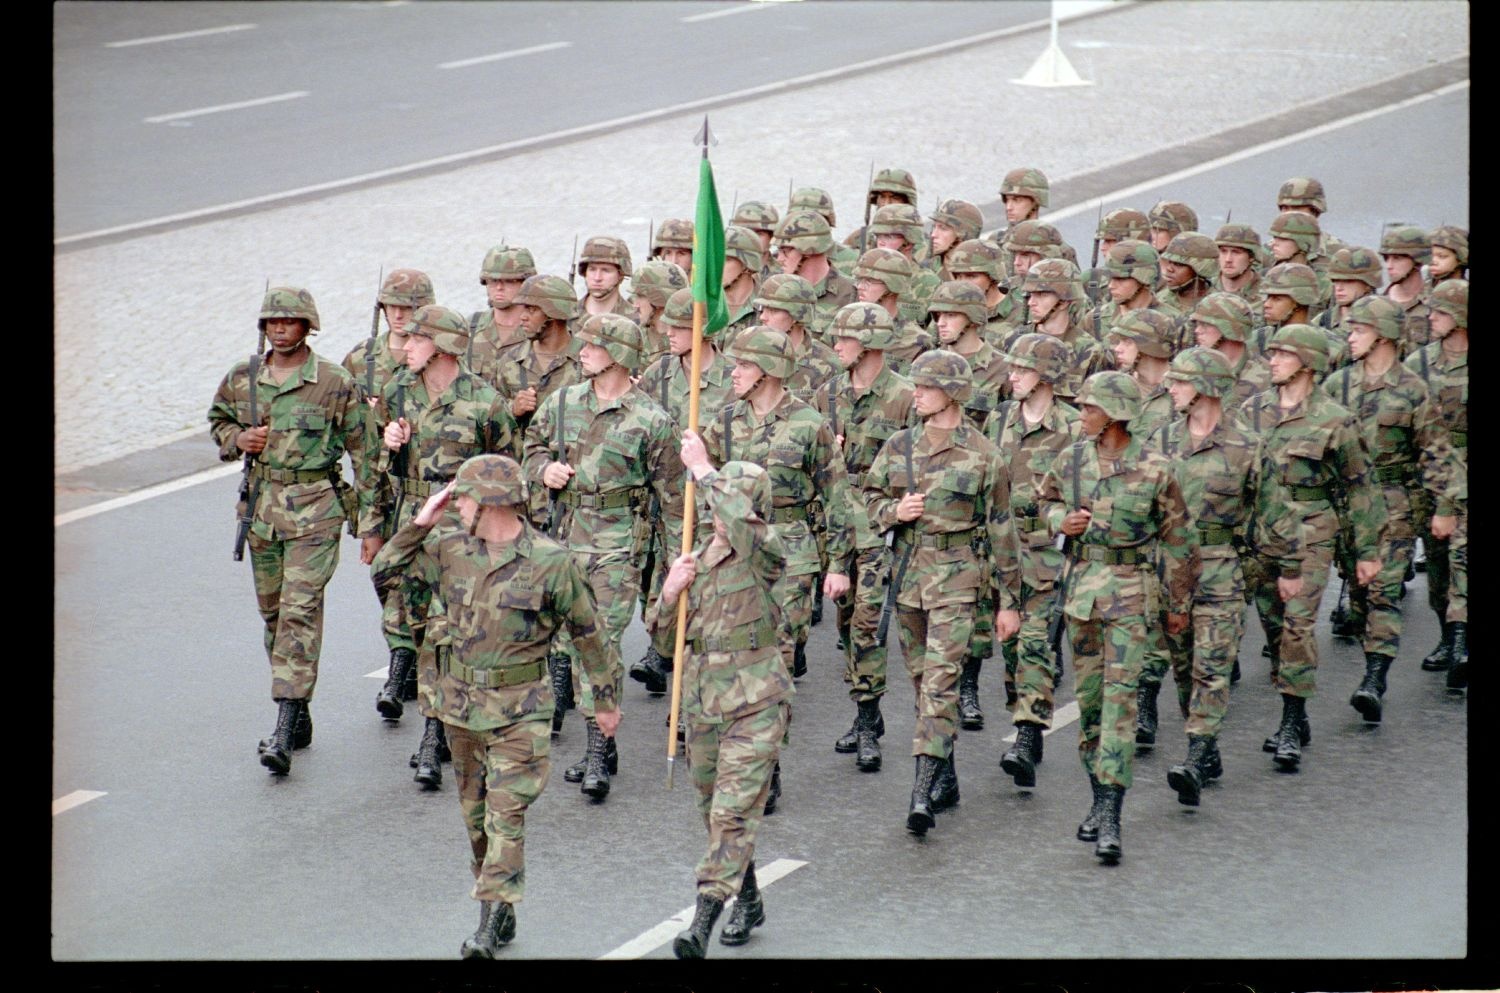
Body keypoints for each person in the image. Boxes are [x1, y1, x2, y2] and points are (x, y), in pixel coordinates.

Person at [371, 455, 619, 958]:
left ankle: (486, 923)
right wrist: (420, 523)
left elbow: (590, 635)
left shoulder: (552, 561)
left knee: (506, 818)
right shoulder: (446, 548)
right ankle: (501, 907)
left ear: (489, 502)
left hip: (521, 710)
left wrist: (606, 704)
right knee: (477, 821)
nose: (455, 505)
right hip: (459, 708)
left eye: (461, 497)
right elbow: (384, 574)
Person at [1038, 371, 1198, 863]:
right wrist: (1058, 522)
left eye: (1089, 408)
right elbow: (1042, 503)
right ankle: (1097, 795)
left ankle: (1112, 813)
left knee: (1120, 706)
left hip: (1132, 596)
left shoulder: (1155, 468)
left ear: (1115, 416)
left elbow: (1177, 540)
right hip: (1083, 594)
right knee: (1089, 706)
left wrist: (1178, 606)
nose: (1080, 415)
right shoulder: (1071, 460)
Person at [208, 286, 368, 775]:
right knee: (275, 616)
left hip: (316, 509)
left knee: (300, 612)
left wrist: (370, 520)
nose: (278, 328)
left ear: (307, 327)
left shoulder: (334, 382)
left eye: (289, 320)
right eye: (271, 321)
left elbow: (365, 449)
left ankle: (283, 721)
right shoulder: (244, 378)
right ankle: (299, 712)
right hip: (262, 511)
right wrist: (237, 438)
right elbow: (217, 421)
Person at [864, 350, 1021, 836]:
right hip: (909, 575)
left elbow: (1001, 530)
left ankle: (921, 792)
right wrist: (894, 513)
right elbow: (867, 500)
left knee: (940, 683)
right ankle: (946, 774)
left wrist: (1009, 600)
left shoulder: (982, 454)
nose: (916, 393)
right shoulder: (898, 445)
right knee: (919, 682)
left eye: (926, 387)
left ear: (951, 392)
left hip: (957, 578)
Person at [524, 315, 682, 799]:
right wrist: (543, 469)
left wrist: (679, 561)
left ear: (619, 355)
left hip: (618, 548)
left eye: (594, 344)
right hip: (565, 540)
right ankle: (602, 739)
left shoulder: (651, 421)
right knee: (567, 645)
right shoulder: (563, 402)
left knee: (603, 647)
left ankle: (597, 748)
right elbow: (530, 448)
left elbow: (674, 498)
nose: (583, 350)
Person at [704, 327, 854, 814]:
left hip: (790, 551)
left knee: (777, 661)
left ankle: (768, 765)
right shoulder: (724, 421)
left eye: (743, 366)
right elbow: (698, 483)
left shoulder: (810, 425)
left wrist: (839, 566)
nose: (733, 373)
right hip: (734, 550)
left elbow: (836, 499)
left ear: (767, 370)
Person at [368, 305, 518, 786]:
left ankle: (434, 735)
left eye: (416, 339)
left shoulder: (485, 403)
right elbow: (378, 470)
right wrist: (388, 449)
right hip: (412, 524)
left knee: (445, 632)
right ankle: (445, 719)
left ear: (442, 346)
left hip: (462, 531)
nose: (405, 346)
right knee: (413, 624)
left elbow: (507, 478)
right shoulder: (397, 391)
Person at [654, 451, 791, 958]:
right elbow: (665, 643)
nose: (714, 509)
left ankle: (703, 919)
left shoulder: (765, 551)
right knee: (716, 812)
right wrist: (670, 594)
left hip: (756, 701)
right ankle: (749, 897)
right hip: (705, 703)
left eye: (726, 500)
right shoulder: (694, 557)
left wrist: (706, 472)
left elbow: (744, 525)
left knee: (733, 814)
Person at [1238, 325, 1382, 769]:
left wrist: (1368, 551)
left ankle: (1290, 720)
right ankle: (1295, 712)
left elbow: (1361, 489)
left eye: (1283, 353)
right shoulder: (1251, 411)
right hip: (1260, 533)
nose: (1273, 360)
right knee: (1276, 627)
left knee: (1299, 625)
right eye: (1272, 352)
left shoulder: (1335, 420)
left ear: (1308, 363)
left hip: (1311, 531)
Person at [1321, 296, 1457, 724]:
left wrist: (1446, 505)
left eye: (1359, 330)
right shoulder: (1337, 385)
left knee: (1384, 592)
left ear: (1382, 336)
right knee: (1359, 598)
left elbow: (1436, 454)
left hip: (1395, 504)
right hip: (1346, 506)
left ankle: (1374, 679)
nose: (1351, 336)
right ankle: (1370, 645)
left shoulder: (1413, 390)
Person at [1145, 348, 1254, 806]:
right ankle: (1207, 749)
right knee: (1185, 668)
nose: (1171, 388)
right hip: (1171, 572)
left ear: (1207, 386)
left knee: (1212, 667)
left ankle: (1194, 754)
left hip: (1220, 569)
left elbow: (1267, 517)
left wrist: (1273, 571)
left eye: (1181, 381)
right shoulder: (1160, 442)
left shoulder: (1246, 447)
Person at [814, 302, 918, 772]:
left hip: (882, 527)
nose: (836, 345)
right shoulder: (828, 395)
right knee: (844, 622)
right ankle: (864, 714)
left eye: (846, 337)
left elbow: (922, 464)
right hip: (838, 526)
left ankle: (868, 716)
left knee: (867, 624)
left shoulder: (905, 398)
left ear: (872, 343)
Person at [983, 333, 1082, 788]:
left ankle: (1026, 732)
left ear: (1045, 375)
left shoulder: (1075, 429)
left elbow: (1086, 495)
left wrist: (1062, 524)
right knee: (1009, 644)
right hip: (1001, 552)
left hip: (1047, 553)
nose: (1013, 376)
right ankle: (1025, 712)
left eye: (1022, 369)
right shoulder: (999, 421)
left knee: (1036, 643)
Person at [631, 288, 738, 695]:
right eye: (667, 324)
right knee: (664, 573)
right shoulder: (660, 372)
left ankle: (688, 668)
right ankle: (661, 649)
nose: (668, 333)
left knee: (705, 580)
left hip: (713, 496)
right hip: (667, 494)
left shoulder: (731, 376)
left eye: (679, 326)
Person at [342, 268, 435, 710]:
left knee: (418, 579)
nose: (400, 316)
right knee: (384, 572)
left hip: (415, 481)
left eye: (410, 308)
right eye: (393, 307)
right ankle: (405, 652)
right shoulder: (361, 360)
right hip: (373, 480)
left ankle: (404, 661)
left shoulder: (433, 357)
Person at [1405, 279, 1468, 690]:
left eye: (1441, 312)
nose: (1431, 318)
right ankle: (1448, 636)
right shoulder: (1419, 363)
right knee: (1440, 563)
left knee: (1463, 556)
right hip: (1428, 473)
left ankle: (1461, 640)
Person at [467, 245, 538, 375]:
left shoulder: (540, 331)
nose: (499, 287)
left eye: (509, 281)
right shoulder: (470, 327)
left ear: (526, 283)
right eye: (493, 281)